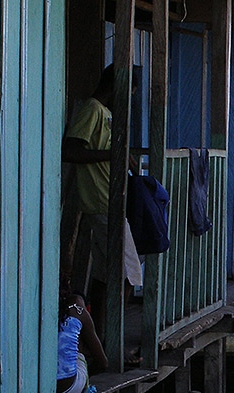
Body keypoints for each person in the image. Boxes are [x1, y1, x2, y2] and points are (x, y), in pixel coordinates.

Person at [62, 65, 140, 338]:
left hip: (108, 200)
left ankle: (96, 337)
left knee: (105, 276)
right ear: (116, 87)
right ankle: (110, 339)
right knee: (129, 275)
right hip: (101, 201)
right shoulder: (93, 109)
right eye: (127, 94)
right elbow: (70, 150)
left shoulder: (105, 113)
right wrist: (112, 155)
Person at [56, 287, 108, 393]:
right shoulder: (77, 305)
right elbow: (102, 363)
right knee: (75, 337)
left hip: (36, 388)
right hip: (68, 388)